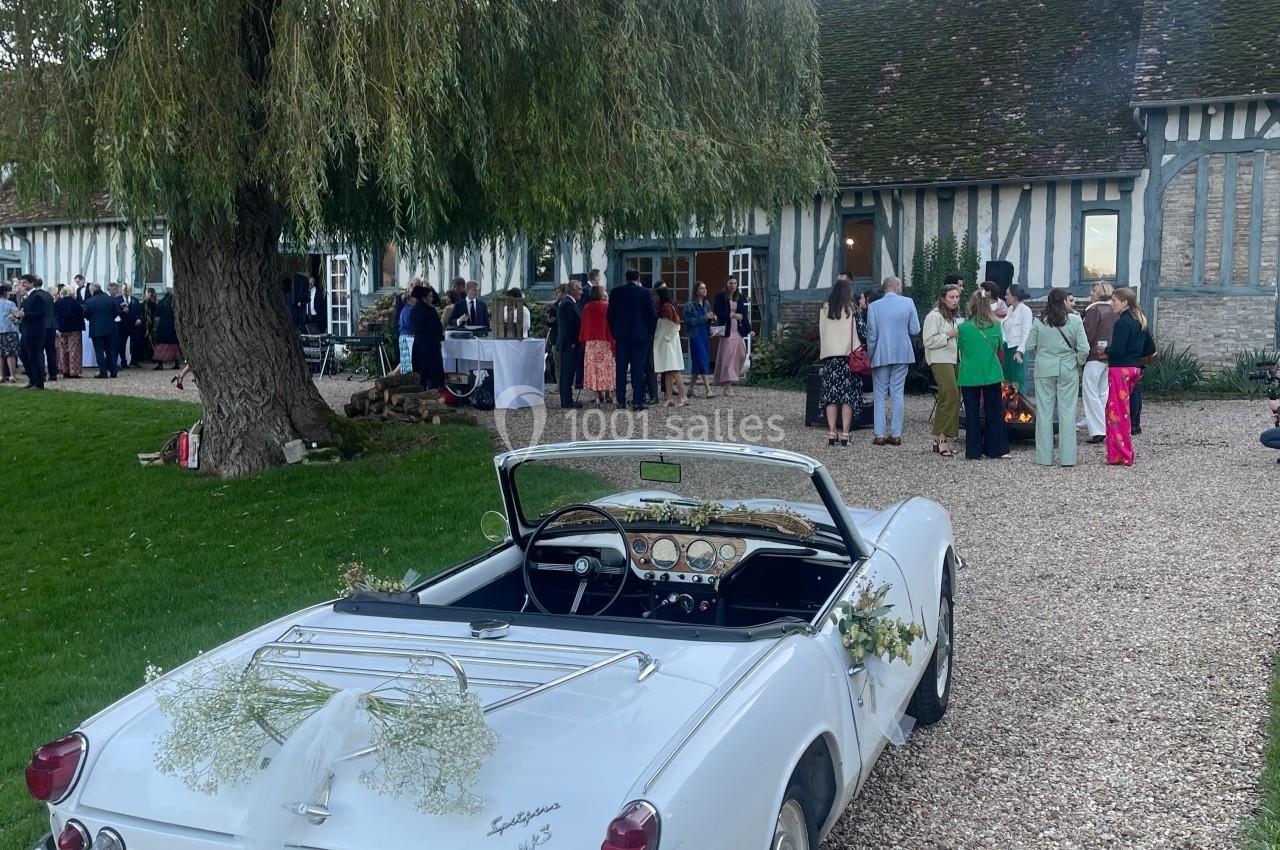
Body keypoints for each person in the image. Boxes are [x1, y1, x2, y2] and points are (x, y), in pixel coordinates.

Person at [1024, 289, 1088, 466]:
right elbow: (1084, 349)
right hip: (1068, 368)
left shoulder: (1039, 321)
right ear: (1064, 302)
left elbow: (1029, 345)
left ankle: (1044, 458)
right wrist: (1076, 361)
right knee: (1067, 413)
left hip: (1044, 368)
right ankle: (1067, 458)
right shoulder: (1075, 320)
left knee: (1044, 413)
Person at [866, 276, 919, 446]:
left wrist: (871, 355)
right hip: (902, 352)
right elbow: (915, 329)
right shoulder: (908, 302)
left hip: (881, 353)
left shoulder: (874, 307)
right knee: (897, 393)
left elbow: (871, 336)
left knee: (880, 395)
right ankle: (896, 434)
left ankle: (879, 434)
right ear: (895, 287)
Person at [957, 290, 1010, 460]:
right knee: (993, 412)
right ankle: (995, 449)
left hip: (970, 374)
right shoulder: (996, 325)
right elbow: (999, 345)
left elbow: (962, 349)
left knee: (972, 413)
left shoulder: (963, 328)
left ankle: (973, 450)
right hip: (991, 372)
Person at [1099, 287, 1148, 466]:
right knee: (1122, 411)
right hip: (1134, 369)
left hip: (1120, 370)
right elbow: (1149, 348)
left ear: (1125, 302)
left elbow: (1117, 350)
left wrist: (1105, 350)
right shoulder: (1139, 320)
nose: (1112, 304)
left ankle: (1123, 454)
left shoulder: (1121, 323)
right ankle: (1118, 453)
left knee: (1117, 414)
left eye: (1114, 300)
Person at [818, 276, 862, 446]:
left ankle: (831, 432)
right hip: (848, 357)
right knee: (847, 397)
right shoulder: (852, 309)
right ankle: (845, 433)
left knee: (830, 397)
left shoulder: (824, 309)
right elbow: (862, 331)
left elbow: (821, 332)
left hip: (830, 357)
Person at [606, 269, 657, 411]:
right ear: (638, 278)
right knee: (638, 369)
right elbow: (652, 315)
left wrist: (614, 332)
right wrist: (649, 333)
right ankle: (637, 401)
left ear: (626, 278)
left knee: (621, 370)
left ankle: (620, 401)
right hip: (640, 336)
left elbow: (610, 315)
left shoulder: (616, 292)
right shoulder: (645, 293)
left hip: (621, 336)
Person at [923, 284, 961, 456]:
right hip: (940, 360)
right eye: (952, 297)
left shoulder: (953, 317)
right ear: (943, 298)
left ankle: (939, 438)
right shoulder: (934, 316)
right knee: (950, 394)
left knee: (952, 395)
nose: (955, 300)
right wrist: (948, 335)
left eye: (957, 297)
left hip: (953, 359)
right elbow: (928, 341)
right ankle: (942, 439)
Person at [1080, 282, 1117, 444]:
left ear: (1100, 292)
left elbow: (1087, 334)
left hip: (1094, 355)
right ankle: (1102, 425)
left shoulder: (1094, 310)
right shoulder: (1114, 310)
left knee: (1090, 392)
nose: (1091, 293)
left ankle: (1097, 429)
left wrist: (1081, 353)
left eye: (1093, 290)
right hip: (1108, 355)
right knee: (1103, 392)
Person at [713, 276, 750, 397]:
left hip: (737, 330)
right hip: (727, 330)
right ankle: (727, 386)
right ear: (726, 284)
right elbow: (717, 312)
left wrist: (749, 330)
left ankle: (731, 378)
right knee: (728, 357)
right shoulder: (720, 296)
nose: (733, 285)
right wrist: (730, 316)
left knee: (741, 355)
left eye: (735, 283)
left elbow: (744, 314)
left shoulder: (740, 297)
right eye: (731, 283)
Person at [579, 284, 615, 407]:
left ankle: (597, 398)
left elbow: (584, 325)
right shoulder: (606, 306)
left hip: (591, 342)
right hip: (604, 341)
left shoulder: (587, 307)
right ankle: (612, 396)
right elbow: (610, 324)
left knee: (593, 370)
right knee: (607, 369)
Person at [653, 286, 688, 407]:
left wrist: (667, 337)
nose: (655, 298)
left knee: (674, 369)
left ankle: (683, 396)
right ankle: (669, 398)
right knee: (667, 370)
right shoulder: (664, 306)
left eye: (656, 295)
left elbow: (676, 325)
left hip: (669, 342)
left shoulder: (667, 307)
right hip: (666, 341)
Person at [16, 275, 53, 388]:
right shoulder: (26, 297)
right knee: (23, 354)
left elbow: (41, 314)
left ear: (32, 283)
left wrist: (25, 314)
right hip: (26, 330)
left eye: (25, 283)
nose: (23, 285)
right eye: (22, 283)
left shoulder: (36, 297)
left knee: (33, 356)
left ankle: (38, 382)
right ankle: (32, 378)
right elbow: (23, 313)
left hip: (35, 331)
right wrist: (17, 316)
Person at [409, 284, 444, 389]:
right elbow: (438, 327)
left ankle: (421, 389)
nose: (432, 299)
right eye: (430, 296)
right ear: (424, 298)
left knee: (421, 369)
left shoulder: (413, 311)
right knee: (433, 369)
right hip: (431, 343)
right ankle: (434, 390)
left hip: (418, 342)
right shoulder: (430, 311)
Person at [83, 284, 120, 378]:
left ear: (93, 291)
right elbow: (117, 312)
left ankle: (103, 372)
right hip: (110, 328)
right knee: (110, 350)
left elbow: (86, 314)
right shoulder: (111, 299)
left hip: (96, 329)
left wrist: (92, 319)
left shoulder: (89, 301)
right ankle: (113, 371)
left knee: (99, 351)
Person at [684, 280, 713, 398]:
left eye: (705, 288)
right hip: (696, 335)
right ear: (696, 291)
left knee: (697, 362)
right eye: (701, 288)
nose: (704, 290)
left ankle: (690, 388)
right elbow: (689, 322)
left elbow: (708, 318)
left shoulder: (706, 304)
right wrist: (704, 317)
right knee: (702, 359)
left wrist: (711, 321)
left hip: (705, 334)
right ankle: (708, 389)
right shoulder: (689, 305)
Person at [556, 280, 583, 408]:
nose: (581, 292)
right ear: (572, 289)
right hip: (569, 344)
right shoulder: (567, 304)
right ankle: (566, 401)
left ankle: (568, 399)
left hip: (572, 344)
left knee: (569, 372)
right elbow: (567, 326)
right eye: (579, 289)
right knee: (566, 373)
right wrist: (572, 342)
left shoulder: (572, 303)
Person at [1001, 284, 1033, 391]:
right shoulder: (1010, 309)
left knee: (1018, 381)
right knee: (1007, 380)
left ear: (1014, 296)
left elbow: (1026, 333)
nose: (1005, 296)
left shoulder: (1025, 310)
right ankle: (1007, 406)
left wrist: (1019, 351)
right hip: (1007, 347)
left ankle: (1020, 406)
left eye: (1007, 294)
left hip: (1017, 349)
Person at [54, 286, 85, 378]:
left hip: (61, 329)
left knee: (63, 350)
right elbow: (80, 314)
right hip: (74, 329)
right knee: (74, 350)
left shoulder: (58, 303)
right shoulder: (75, 303)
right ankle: (74, 371)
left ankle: (65, 370)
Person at [152, 289, 181, 369]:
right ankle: (177, 363)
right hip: (172, 324)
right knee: (174, 343)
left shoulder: (162, 301)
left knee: (161, 343)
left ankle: (160, 364)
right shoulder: (176, 301)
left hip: (163, 325)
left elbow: (157, 313)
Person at [392, 288, 416, 375]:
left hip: (403, 337)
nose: (416, 299)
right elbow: (411, 325)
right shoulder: (410, 310)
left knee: (405, 363)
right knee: (409, 363)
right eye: (414, 297)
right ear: (408, 299)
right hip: (409, 338)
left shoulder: (404, 310)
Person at [0, 284, 19, 383]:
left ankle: (1, 376)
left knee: (0, 354)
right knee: (10, 354)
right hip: (9, 330)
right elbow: (17, 315)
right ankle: (12, 375)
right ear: (5, 293)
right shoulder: (10, 303)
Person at [546, 283, 565, 382]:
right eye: (556, 293)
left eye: (558, 292)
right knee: (557, 363)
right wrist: (549, 320)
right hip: (555, 337)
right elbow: (549, 320)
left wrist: (556, 320)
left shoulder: (569, 304)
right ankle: (559, 384)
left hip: (565, 338)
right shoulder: (554, 305)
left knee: (566, 363)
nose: (556, 295)